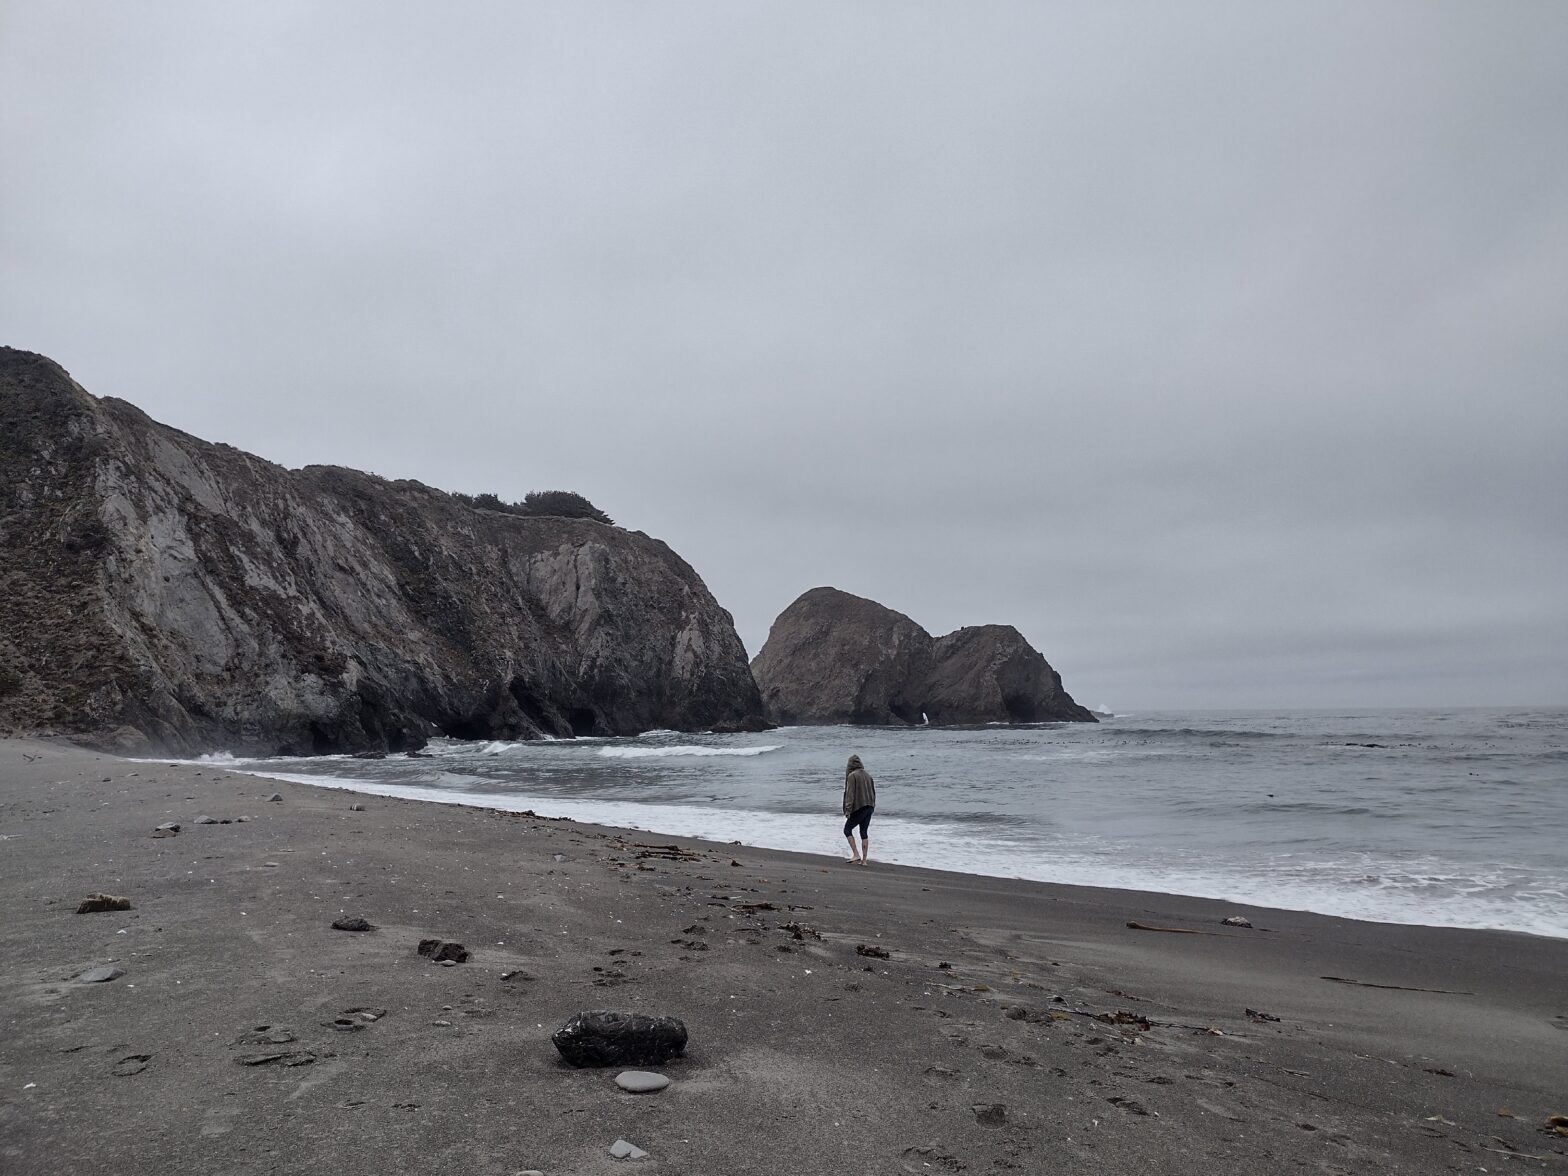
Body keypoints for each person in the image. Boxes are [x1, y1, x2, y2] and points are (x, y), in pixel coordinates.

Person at [842, 753, 876, 866]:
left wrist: (847, 810)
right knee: (864, 832)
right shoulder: (868, 775)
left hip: (859, 807)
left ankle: (856, 854)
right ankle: (864, 860)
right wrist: (872, 806)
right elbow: (873, 793)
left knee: (847, 829)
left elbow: (850, 795)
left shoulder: (852, 776)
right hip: (870, 806)